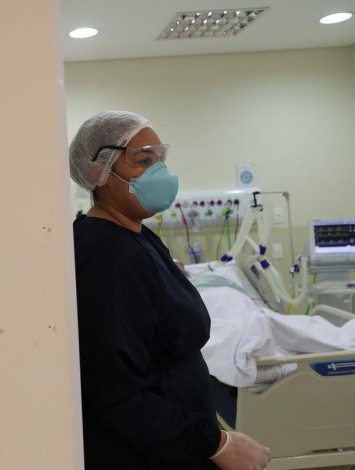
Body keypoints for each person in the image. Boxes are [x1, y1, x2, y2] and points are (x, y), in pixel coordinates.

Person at [69, 111, 271, 469]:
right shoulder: (105, 253)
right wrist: (218, 444)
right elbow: (115, 389)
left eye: (160, 159)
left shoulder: (136, 236)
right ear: (99, 171)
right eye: (143, 161)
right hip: (144, 452)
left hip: (171, 443)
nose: (159, 172)